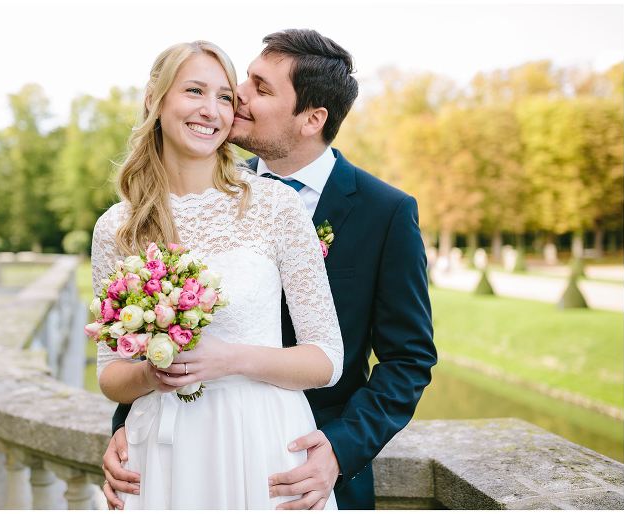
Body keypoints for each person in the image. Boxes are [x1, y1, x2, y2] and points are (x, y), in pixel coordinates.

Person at [102, 29, 438, 510]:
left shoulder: (384, 212)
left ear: (312, 119)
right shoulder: (189, 195)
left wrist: (339, 450)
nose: (236, 97)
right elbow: (154, 331)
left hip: (296, 459)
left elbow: (408, 361)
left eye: (260, 88)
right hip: (175, 449)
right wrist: (130, 424)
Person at [91, 39, 344, 509]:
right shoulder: (116, 227)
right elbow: (110, 376)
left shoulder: (274, 205)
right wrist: (152, 373)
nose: (210, 110)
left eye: (225, 97)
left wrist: (229, 359)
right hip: (163, 448)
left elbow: (327, 359)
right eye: (194, 91)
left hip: (263, 440)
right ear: (155, 99)